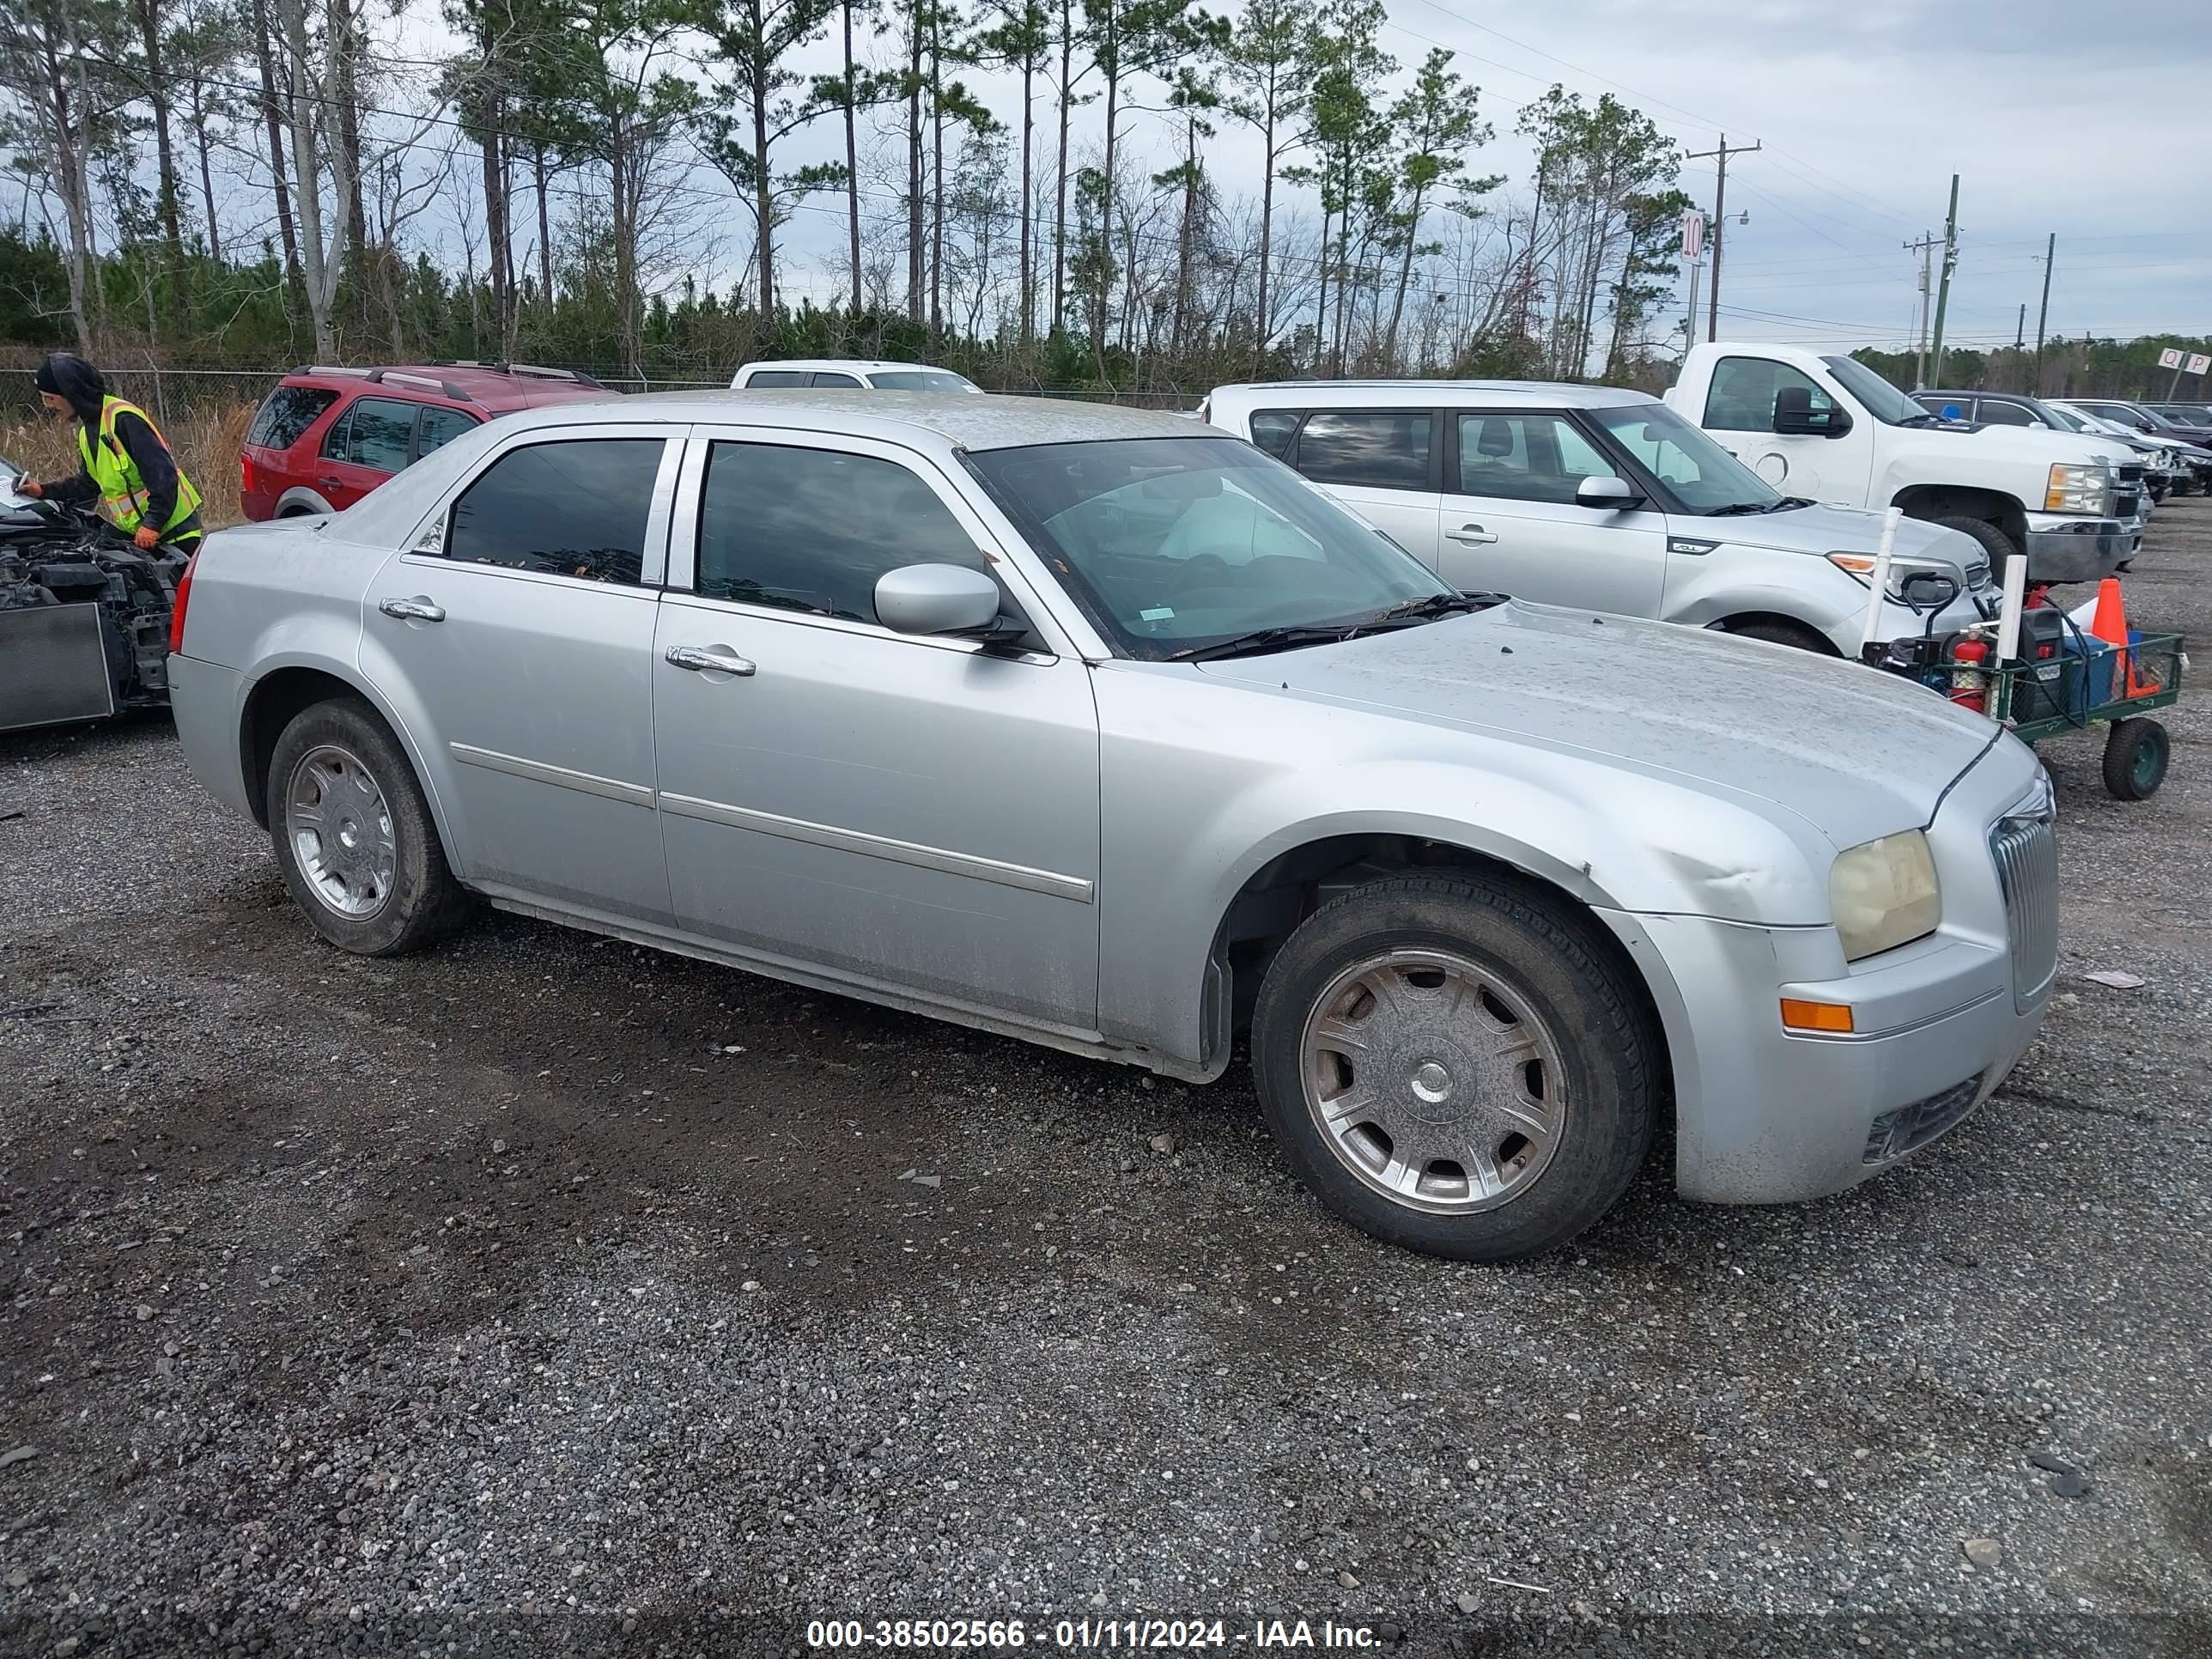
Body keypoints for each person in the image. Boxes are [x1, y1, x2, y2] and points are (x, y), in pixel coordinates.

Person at [12, 353, 204, 552]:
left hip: (176, 533)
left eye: (50, 398)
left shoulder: (123, 419)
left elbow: (163, 477)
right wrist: (42, 491)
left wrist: (152, 524)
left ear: (71, 393)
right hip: (138, 535)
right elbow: (88, 485)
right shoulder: (88, 433)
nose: (48, 406)